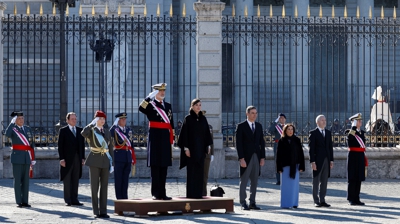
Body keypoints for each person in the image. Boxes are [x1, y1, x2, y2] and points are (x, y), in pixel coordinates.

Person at [139, 83, 174, 200]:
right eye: (160, 91)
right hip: (155, 137)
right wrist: (149, 97)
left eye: (163, 91)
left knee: (164, 166)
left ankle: (163, 193)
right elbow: (140, 108)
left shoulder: (168, 106)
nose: (162, 93)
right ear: (155, 92)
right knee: (155, 166)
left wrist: (172, 138)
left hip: (164, 137)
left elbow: (171, 124)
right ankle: (155, 193)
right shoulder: (150, 105)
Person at [81, 110, 114, 219]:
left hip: (105, 160)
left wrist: (111, 162)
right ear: (96, 120)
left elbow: (110, 147)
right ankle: (96, 211)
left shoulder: (107, 131)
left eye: (103, 119)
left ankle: (103, 211)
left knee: (104, 186)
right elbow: (83, 133)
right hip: (94, 160)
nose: (102, 120)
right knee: (94, 187)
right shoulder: (91, 130)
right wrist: (91, 123)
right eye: (100, 118)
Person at [178, 99, 213, 199]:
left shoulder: (203, 119)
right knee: (192, 172)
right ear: (192, 106)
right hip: (191, 150)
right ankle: (191, 194)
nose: (198, 107)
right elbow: (184, 135)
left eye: (200, 105)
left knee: (200, 172)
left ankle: (199, 194)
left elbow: (207, 133)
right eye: (196, 105)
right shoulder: (188, 118)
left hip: (200, 150)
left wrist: (208, 145)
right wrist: (186, 148)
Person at [236, 106, 266, 210]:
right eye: (252, 113)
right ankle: (243, 202)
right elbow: (238, 144)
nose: (255, 115)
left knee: (254, 181)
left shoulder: (259, 126)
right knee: (244, 181)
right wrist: (241, 158)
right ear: (247, 114)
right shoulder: (241, 126)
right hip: (246, 157)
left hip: (256, 157)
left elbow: (262, 142)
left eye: (256, 113)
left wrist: (262, 157)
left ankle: (252, 202)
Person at [5, 111, 35, 208]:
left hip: (26, 157)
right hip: (17, 157)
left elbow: (31, 143)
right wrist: (11, 123)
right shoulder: (13, 129)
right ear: (15, 120)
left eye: (22, 118)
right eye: (19, 118)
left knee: (25, 180)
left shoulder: (27, 129)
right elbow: (7, 134)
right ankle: (19, 201)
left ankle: (25, 201)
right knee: (17, 180)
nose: (21, 120)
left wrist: (32, 156)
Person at [57, 112, 85, 206]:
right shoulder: (63, 131)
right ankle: (68, 199)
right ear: (67, 120)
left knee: (75, 179)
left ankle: (75, 199)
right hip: (67, 159)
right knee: (67, 179)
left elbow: (82, 146)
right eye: (72, 119)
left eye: (75, 119)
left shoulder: (80, 130)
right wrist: (61, 159)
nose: (74, 120)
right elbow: (60, 146)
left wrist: (82, 158)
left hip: (77, 158)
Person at [276, 124, 305, 209]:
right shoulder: (282, 141)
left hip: (295, 166)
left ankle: (294, 203)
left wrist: (302, 166)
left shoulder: (297, 140)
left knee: (294, 187)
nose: (290, 131)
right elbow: (278, 155)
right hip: (285, 166)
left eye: (292, 129)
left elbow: (301, 154)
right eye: (288, 129)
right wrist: (279, 168)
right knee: (286, 187)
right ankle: (285, 204)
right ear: (285, 130)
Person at [309, 115, 334, 208]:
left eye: (325, 120)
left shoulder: (328, 132)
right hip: (317, 160)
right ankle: (316, 200)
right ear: (317, 122)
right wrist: (312, 162)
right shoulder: (313, 133)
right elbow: (311, 149)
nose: (324, 122)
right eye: (322, 120)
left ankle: (322, 199)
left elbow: (330, 148)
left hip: (326, 160)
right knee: (316, 181)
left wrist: (331, 160)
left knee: (324, 181)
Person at [110, 112, 136, 200]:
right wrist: (114, 125)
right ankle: (119, 198)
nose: (124, 120)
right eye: (122, 119)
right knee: (118, 179)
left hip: (127, 157)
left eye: (125, 119)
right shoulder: (115, 130)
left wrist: (132, 157)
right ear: (118, 120)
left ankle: (125, 197)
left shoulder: (129, 130)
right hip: (119, 157)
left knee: (125, 180)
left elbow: (131, 145)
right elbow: (109, 135)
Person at [346, 113, 367, 206]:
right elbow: (350, 139)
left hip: (360, 157)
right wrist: (353, 127)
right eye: (358, 120)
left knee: (359, 178)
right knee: (352, 178)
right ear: (354, 122)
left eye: (360, 120)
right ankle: (351, 198)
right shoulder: (349, 132)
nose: (360, 122)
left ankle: (357, 198)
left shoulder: (362, 132)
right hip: (353, 157)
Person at [269, 113, 286, 185]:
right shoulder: (276, 126)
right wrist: (275, 122)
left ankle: (285, 178)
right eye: (280, 118)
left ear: (285, 119)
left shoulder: (287, 126)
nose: (281, 119)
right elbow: (270, 130)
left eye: (283, 118)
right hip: (278, 145)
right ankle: (279, 180)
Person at [203, 124, 214, 196]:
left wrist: (212, 153)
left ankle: (203, 193)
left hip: (207, 155)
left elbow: (211, 141)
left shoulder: (209, 126)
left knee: (205, 175)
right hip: (196, 155)